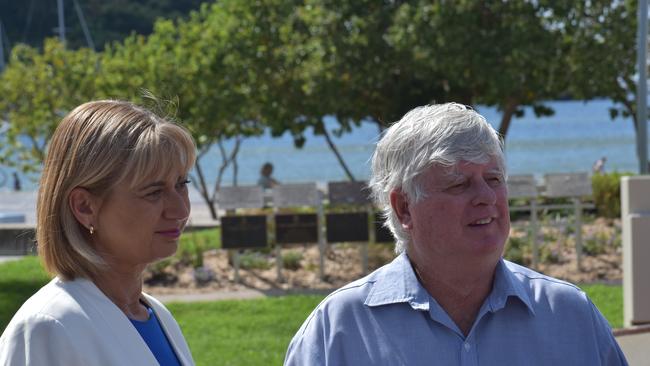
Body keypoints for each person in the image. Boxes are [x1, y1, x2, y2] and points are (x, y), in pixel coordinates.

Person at [284, 103, 627, 365]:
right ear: (404, 208)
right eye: (459, 183)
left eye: (493, 179)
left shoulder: (570, 316)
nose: (487, 197)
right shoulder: (339, 331)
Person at [0, 100, 196, 365]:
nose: (180, 209)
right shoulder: (49, 328)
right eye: (154, 192)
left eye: (181, 184)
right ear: (85, 207)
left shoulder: (155, 315)